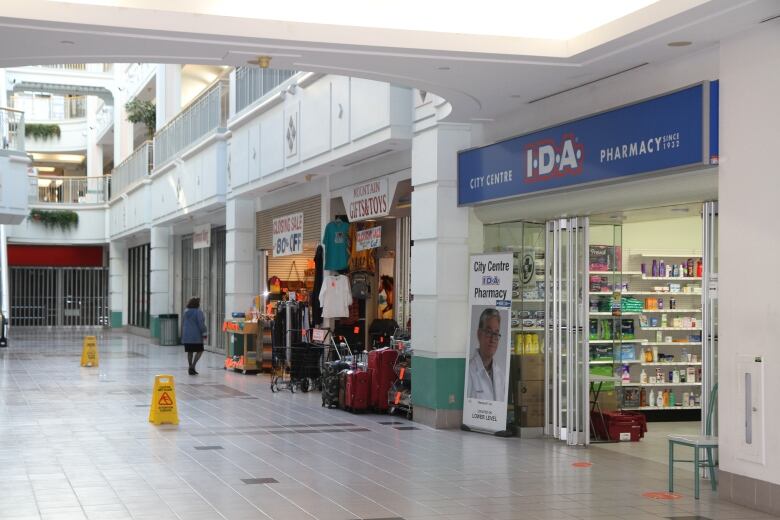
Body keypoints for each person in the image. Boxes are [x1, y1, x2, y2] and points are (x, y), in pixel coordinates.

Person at [467, 308, 506, 401]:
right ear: (479, 334)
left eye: (496, 334)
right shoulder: (468, 371)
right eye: (489, 332)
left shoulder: (500, 374)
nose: (493, 339)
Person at [182, 297, 207, 375]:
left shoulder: (186, 312)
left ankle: (190, 367)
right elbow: (201, 324)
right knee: (200, 351)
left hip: (187, 336)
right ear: (197, 304)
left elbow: (183, 323)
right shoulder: (198, 312)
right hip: (196, 336)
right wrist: (204, 333)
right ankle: (192, 366)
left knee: (190, 352)